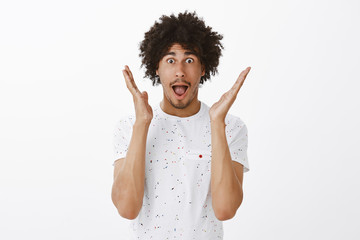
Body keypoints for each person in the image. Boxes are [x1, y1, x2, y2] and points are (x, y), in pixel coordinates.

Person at [111, 11, 251, 239]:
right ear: (156, 68)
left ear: (203, 68)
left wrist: (216, 124)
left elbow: (226, 209)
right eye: (170, 60)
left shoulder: (231, 127)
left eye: (189, 60)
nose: (179, 71)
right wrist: (142, 124)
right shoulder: (129, 126)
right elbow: (127, 208)